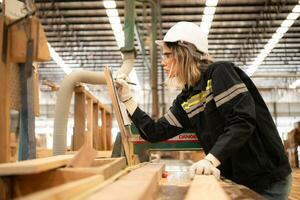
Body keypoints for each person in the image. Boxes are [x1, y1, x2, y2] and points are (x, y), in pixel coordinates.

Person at [115, 21, 291, 200]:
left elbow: (241, 122)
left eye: (167, 55)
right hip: (237, 179)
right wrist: (128, 99)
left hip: (266, 179)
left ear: (184, 54)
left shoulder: (220, 73)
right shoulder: (187, 97)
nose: (162, 62)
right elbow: (155, 132)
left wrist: (210, 160)